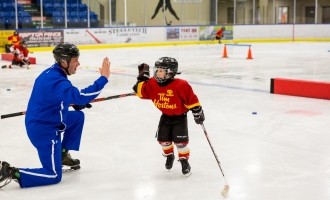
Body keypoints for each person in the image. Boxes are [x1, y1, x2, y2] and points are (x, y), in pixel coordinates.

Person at [0, 42, 111, 189]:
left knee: (77, 117)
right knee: (53, 175)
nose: (78, 63)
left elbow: (58, 98)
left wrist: (74, 103)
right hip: (44, 131)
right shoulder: (56, 80)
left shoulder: (53, 73)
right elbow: (81, 96)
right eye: (75, 60)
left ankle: (62, 155)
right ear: (64, 61)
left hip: (47, 120)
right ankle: (13, 172)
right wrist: (103, 78)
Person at [132, 57, 205, 176]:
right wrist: (142, 78)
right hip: (165, 117)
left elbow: (191, 99)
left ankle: (184, 161)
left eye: (161, 70)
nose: (157, 72)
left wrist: (197, 111)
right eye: (157, 70)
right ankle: (169, 156)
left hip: (180, 118)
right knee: (163, 141)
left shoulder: (181, 85)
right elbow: (139, 92)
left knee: (181, 143)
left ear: (170, 72)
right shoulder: (152, 83)